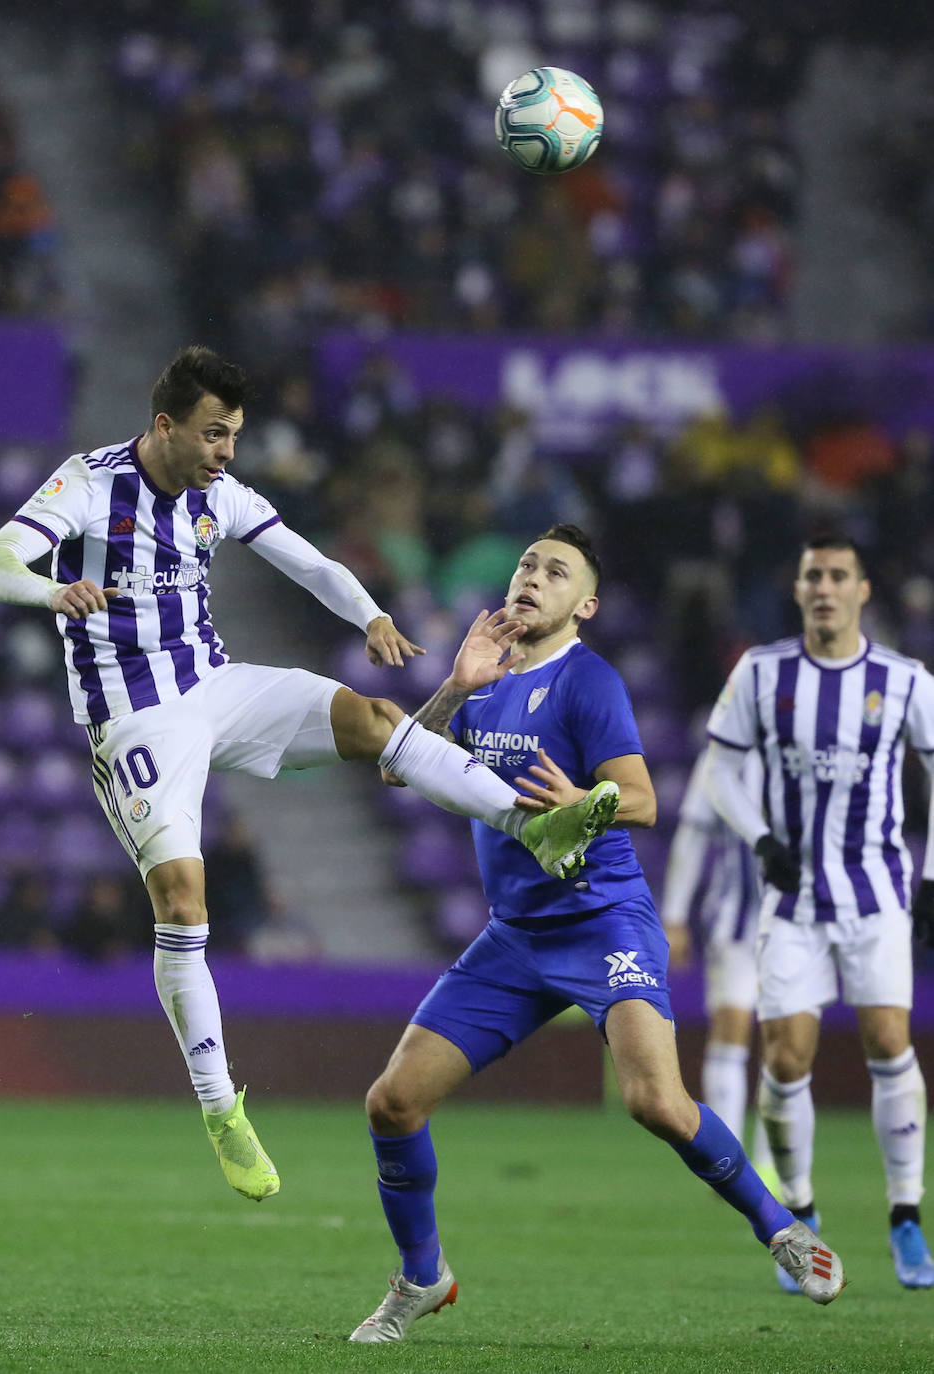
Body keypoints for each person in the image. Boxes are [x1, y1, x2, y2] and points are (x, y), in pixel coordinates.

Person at [0, 346, 617, 1204]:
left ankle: (532, 824)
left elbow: (305, 560)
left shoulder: (219, 496)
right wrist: (50, 594)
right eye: (212, 434)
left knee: (374, 718)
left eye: (233, 434)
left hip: (218, 687)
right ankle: (219, 1108)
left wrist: (373, 615)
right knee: (182, 898)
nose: (226, 451)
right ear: (164, 426)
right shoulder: (87, 486)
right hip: (136, 716)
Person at [349, 525, 843, 1343]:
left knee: (655, 1102)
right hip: (517, 936)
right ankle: (421, 1279)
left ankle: (781, 1231)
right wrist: (454, 684)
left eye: (555, 572)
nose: (531, 578)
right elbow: (396, 766)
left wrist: (584, 801)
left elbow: (642, 800)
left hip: (602, 919)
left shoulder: (590, 682)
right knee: (393, 1103)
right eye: (525, 565)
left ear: (585, 604)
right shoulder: (482, 683)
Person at [705, 532, 934, 1291]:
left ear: (862, 590)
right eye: (812, 576)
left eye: (838, 576)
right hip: (793, 898)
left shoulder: (903, 681)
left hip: (875, 894)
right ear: (797, 589)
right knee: (784, 1058)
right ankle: (798, 1216)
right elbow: (721, 773)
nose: (824, 588)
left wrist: (929, 877)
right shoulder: (762, 671)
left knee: (887, 1039)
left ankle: (905, 1212)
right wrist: (760, 837)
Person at [661, 745, 777, 1188]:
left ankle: (772, 1164)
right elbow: (692, 834)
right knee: (731, 1028)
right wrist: (674, 915)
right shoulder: (725, 751)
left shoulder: (817, 740)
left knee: (782, 1040)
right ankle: (729, 1162)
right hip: (735, 917)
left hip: (797, 924)